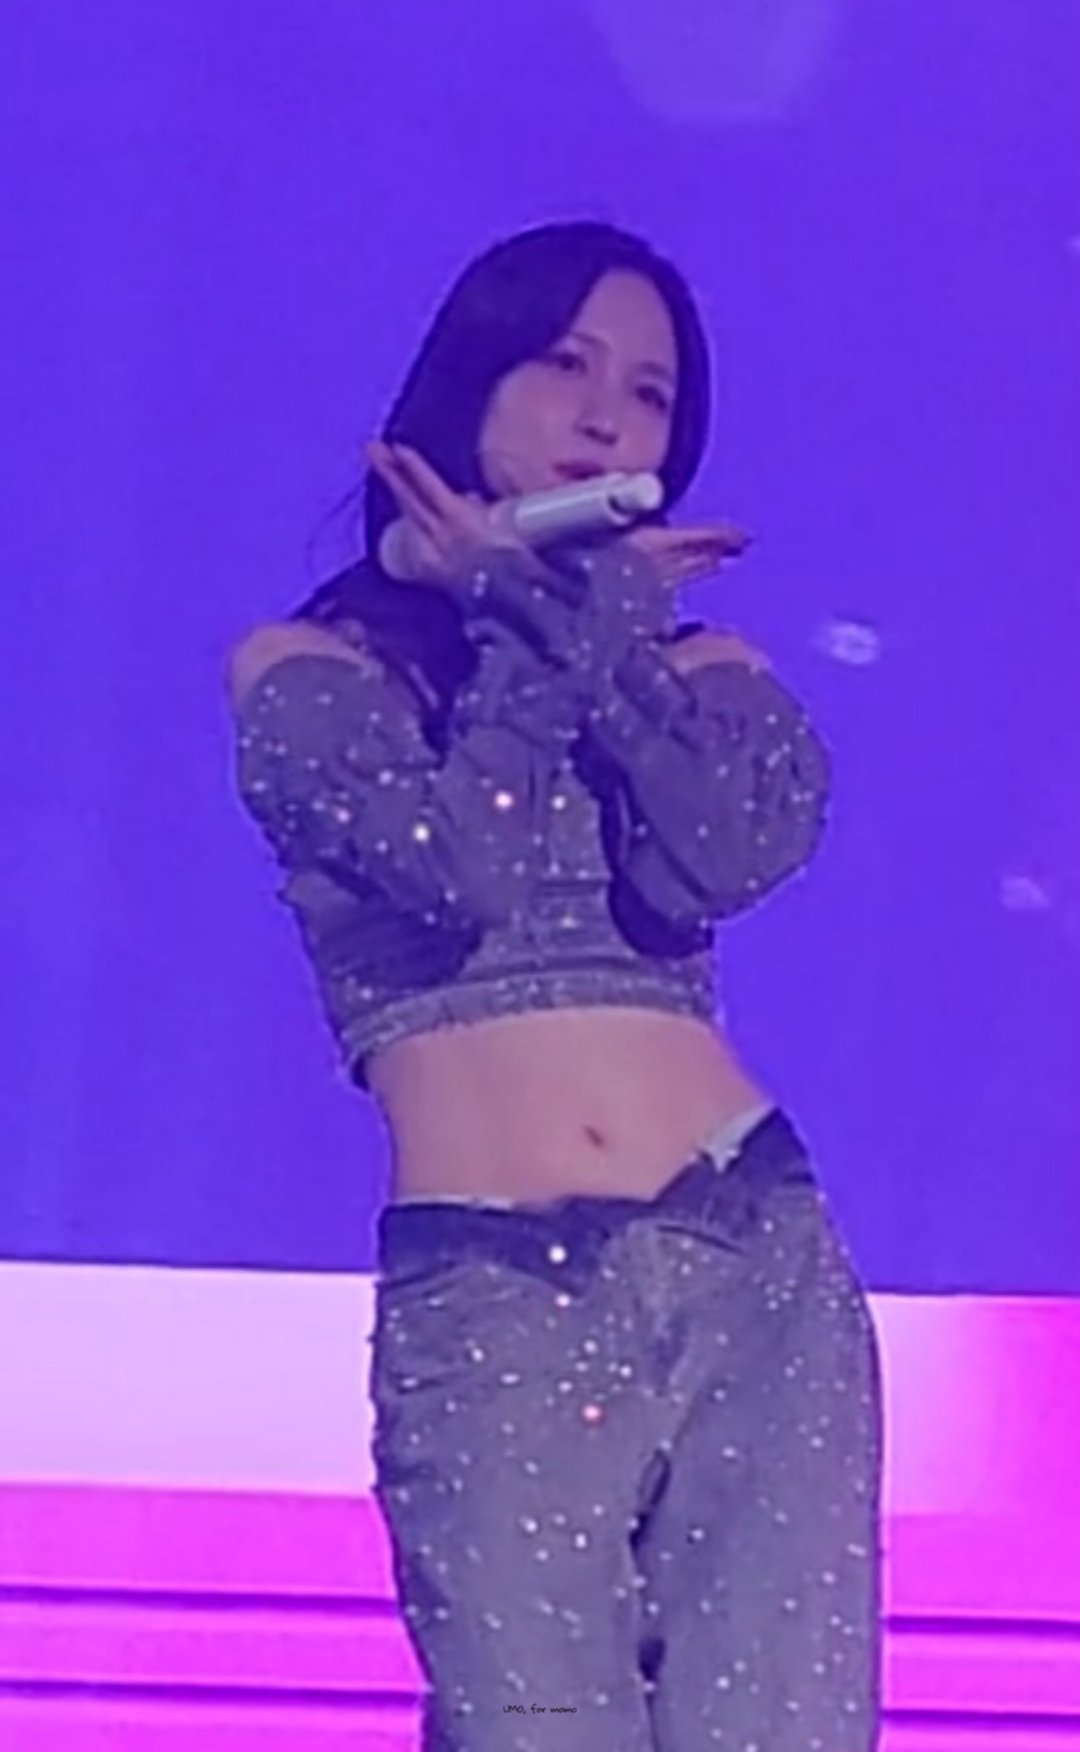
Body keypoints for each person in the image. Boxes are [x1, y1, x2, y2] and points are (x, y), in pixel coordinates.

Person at [226, 219, 883, 1751]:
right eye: (566, 364)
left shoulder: (695, 668)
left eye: (650, 395)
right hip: (501, 1310)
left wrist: (595, 633)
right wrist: (527, 632)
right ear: (475, 377)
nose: (605, 417)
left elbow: (725, 855)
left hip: (755, 1265)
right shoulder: (309, 672)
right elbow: (461, 868)